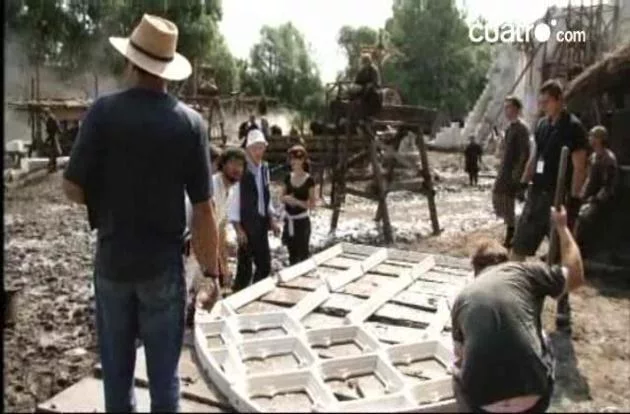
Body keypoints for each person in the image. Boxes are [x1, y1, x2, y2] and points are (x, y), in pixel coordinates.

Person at [62, 15, 220, 412]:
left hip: (113, 261)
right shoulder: (190, 124)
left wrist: (107, 202)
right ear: (168, 70)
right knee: (165, 382)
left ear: (132, 62)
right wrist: (212, 273)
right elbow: (204, 209)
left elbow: (72, 187)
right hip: (162, 268)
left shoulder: (103, 112)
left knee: (117, 379)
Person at [451, 206, 585, 413]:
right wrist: (562, 227)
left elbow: (460, 356)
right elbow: (576, 275)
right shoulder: (523, 272)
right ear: (505, 261)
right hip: (531, 400)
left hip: (483, 405)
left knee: (456, 370)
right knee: (543, 338)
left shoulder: (462, 297)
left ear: (476, 270)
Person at [510, 79, 588, 330]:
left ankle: (563, 307)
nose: (542, 106)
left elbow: (579, 166)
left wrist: (573, 200)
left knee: (558, 256)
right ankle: (512, 296)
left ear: (559, 100)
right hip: (537, 194)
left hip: (558, 196)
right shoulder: (543, 125)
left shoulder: (574, 128)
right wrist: (524, 182)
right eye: (541, 102)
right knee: (519, 245)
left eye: (546, 102)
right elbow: (535, 157)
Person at [228, 129, 281, 292]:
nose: (258, 152)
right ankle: (240, 296)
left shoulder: (264, 169)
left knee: (264, 265)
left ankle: (254, 294)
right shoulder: (241, 171)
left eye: (261, 147)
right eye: (255, 148)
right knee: (245, 268)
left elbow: (266, 195)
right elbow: (234, 201)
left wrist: (272, 219)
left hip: (261, 223)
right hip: (246, 223)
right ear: (248, 150)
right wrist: (238, 228)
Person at [492, 96, 531, 248]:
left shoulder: (522, 128)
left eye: (509, 107)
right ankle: (513, 229)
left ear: (516, 108)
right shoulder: (509, 128)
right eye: (505, 107)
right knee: (499, 197)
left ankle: (512, 233)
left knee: (507, 200)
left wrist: (518, 175)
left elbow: (524, 153)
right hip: (505, 170)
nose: (506, 110)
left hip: (514, 172)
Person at [575, 125, 618, 258]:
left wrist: (595, 200)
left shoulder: (608, 159)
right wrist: (582, 193)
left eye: (592, 136)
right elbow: (589, 178)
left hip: (600, 201)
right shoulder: (593, 156)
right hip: (588, 198)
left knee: (584, 222)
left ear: (600, 139)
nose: (590, 139)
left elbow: (608, 185)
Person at [281, 145, 316, 265]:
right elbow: (281, 197)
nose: (293, 162)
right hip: (289, 220)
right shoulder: (287, 177)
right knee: (292, 254)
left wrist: (296, 202)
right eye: (291, 159)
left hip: (302, 222)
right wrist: (286, 199)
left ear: (302, 160)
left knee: (303, 254)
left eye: (296, 159)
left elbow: (312, 205)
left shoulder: (309, 180)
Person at [353, 53, 382, 119]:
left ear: (369, 61)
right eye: (363, 62)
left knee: (373, 94)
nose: (364, 64)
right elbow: (357, 81)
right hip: (363, 88)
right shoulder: (362, 71)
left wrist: (368, 85)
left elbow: (375, 81)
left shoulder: (374, 69)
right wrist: (356, 86)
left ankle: (370, 114)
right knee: (354, 92)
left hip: (374, 88)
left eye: (366, 61)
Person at [42, 107, 62, 172]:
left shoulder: (51, 118)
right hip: (53, 136)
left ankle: (53, 167)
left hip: (53, 136)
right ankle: (53, 167)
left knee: (53, 152)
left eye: (45, 113)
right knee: (53, 152)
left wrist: (48, 139)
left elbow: (53, 129)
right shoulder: (51, 118)